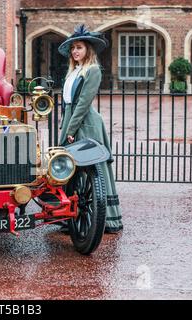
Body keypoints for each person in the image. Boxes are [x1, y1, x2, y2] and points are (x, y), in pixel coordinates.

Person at [58, 25, 123, 233]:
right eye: (73, 48)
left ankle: (106, 220)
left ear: (88, 50)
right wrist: (65, 126)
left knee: (93, 169)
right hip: (71, 120)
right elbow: (68, 103)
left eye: (79, 48)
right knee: (70, 170)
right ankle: (70, 217)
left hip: (85, 123)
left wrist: (71, 129)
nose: (75, 51)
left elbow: (83, 103)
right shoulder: (73, 71)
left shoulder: (92, 70)